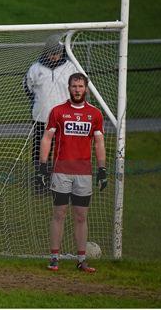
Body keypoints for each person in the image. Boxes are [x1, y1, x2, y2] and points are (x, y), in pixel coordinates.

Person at [36, 73, 107, 273]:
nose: (77, 89)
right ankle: (54, 258)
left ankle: (81, 260)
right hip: (61, 172)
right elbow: (47, 138)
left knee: (81, 217)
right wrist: (43, 166)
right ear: (69, 88)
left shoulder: (95, 114)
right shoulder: (58, 112)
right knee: (59, 214)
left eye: (80, 86)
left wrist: (102, 169)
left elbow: (99, 143)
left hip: (84, 174)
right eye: (74, 86)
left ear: (86, 88)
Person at [23, 33, 79, 192]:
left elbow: (77, 90)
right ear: (45, 52)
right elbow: (28, 88)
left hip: (65, 118)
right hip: (41, 118)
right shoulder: (35, 68)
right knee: (40, 150)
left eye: (58, 53)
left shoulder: (71, 67)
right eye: (52, 53)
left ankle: (63, 181)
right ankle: (41, 179)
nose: (55, 57)